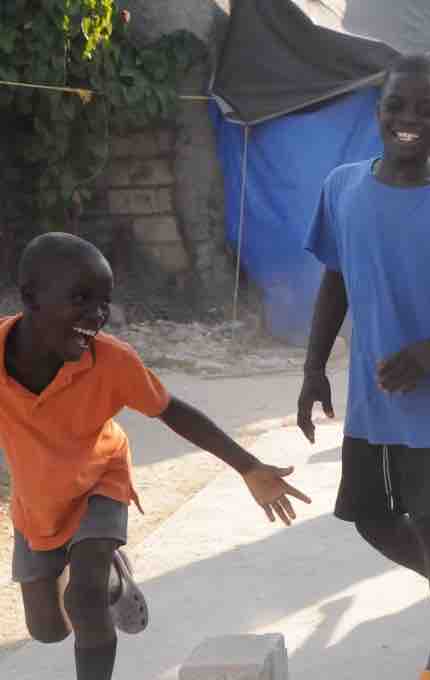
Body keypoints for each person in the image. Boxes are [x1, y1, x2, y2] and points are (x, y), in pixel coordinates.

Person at [2, 233, 310, 680]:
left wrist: (248, 466)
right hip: (38, 503)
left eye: (103, 303)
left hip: (99, 481)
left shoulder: (110, 361)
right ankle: (109, 576)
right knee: (48, 630)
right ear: (30, 297)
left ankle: (95, 577)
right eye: (80, 299)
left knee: (83, 599)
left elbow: (174, 412)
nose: (96, 317)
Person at [298, 55, 430, 680]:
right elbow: (335, 280)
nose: (408, 119)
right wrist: (313, 367)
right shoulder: (342, 187)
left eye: (425, 108)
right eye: (396, 105)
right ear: (378, 111)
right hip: (371, 396)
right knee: (370, 519)